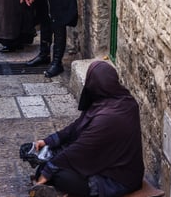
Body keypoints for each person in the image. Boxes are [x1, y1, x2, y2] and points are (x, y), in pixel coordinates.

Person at [29, 61, 144, 197]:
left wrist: (48, 171)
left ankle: (61, 191)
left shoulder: (108, 116)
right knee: (48, 156)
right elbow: (77, 126)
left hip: (117, 178)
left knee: (59, 175)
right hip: (101, 161)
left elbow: (82, 148)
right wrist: (49, 141)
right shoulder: (114, 101)